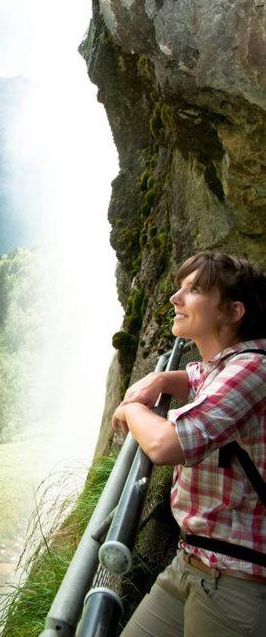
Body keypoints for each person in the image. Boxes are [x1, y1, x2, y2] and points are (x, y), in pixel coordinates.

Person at [111, 251, 266, 637]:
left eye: (194, 290)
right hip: (193, 562)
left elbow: (165, 445)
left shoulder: (253, 369)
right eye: (179, 287)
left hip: (237, 581)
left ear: (233, 312)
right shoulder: (223, 365)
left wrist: (131, 411)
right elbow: (198, 379)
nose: (174, 298)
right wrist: (162, 380)